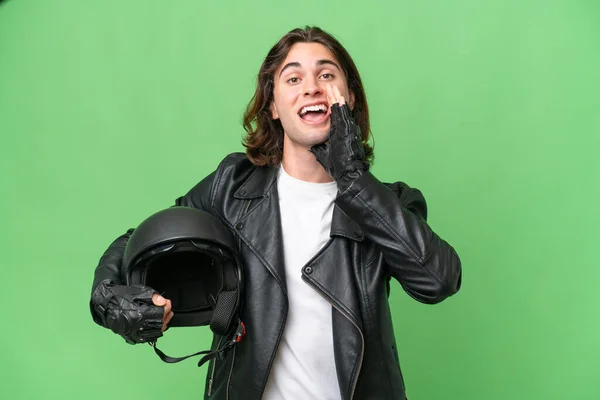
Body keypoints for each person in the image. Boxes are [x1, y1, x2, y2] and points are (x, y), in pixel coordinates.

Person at [89, 26, 462, 400]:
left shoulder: (389, 201)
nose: (312, 86)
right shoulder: (231, 187)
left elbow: (438, 280)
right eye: (294, 77)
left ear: (348, 98)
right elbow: (137, 240)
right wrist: (110, 298)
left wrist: (352, 176)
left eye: (327, 75)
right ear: (273, 105)